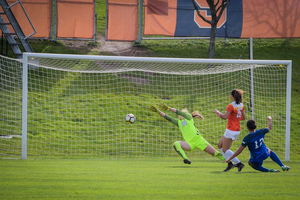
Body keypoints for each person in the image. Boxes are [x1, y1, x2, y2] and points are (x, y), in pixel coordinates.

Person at [150, 102, 225, 164]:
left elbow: (178, 112)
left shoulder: (189, 117)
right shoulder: (179, 122)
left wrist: (169, 108)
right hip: (190, 144)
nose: (180, 114)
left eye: (182, 112)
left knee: (215, 153)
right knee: (176, 144)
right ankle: (186, 159)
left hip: (198, 140)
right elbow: (168, 117)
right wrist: (158, 111)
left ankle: (231, 162)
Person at [224, 116, 290, 172]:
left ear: (247, 127)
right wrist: (270, 119)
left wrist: (230, 158)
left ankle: (269, 170)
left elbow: (239, 150)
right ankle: (282, 165)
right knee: (269, 151)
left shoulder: (247, 138)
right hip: (265, 154)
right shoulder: (261, 131)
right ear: (255, 126)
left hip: (256, 157)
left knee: (250, 163)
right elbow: (269, 127)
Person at [213, 89, 246, 172]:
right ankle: (230, 164)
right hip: (236, 129)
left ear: (232, 96)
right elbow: (243, 117)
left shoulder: (231, 105)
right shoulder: (241, 105)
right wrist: (235, 119)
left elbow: (224, 117)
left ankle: (239, 163)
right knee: (220, 145)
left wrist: (217, 112)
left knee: (225, 149)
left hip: (231, 129)